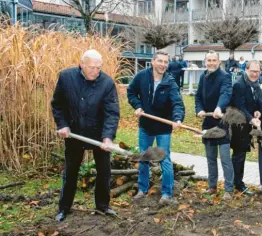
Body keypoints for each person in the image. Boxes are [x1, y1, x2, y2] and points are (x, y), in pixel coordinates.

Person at [51, 49, 120, 221]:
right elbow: (57, 105)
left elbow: (112, 113)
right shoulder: (66, 78)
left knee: (104, 171)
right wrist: (63, 125)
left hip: (98, 134)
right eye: (91, 67)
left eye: (98, 68)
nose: (95, 71)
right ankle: (64, 208)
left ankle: (103, 206)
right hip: (74, 133)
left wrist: (107, 137)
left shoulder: (107, 83)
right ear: (81, 64)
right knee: (71, 171)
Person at [127, 51, 185, 204]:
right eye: (160, 61)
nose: (163, 65)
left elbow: (177, 103)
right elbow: (131, 92)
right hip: (145, 125)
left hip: (163, 128)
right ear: (152, 62)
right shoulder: (141, 76)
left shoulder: (170, 82)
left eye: (166, 62)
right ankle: (142, 189)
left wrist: (177, 118)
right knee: (144, 157)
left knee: (164, 159)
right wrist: (138, 106)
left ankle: (166, 193)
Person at [195, 50, 234, 200]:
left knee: (225, 158)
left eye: (214, 60)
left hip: (222, 124)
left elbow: (226, 93)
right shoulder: (203, 77)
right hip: (208, 123)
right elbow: (198, 96)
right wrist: (199, 110)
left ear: (219, 62)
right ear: (205, 62)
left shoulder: (225, 77)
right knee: (210, 158)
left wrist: (219, 107)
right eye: (208, 60)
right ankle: (212, 187)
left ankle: (229, 190)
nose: (211, 63)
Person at [230, 60, 262, 195]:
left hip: (248, 124)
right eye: (252, 71)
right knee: (239, 155)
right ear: (246, 70)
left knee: (241, 154)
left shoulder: (255, 85)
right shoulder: (239, 84)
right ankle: (237, 183)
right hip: (238, 125)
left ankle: (236, 181)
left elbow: (254, 103)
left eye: (257, 71)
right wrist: (251, 119)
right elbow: (240, 106)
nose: (255, 74)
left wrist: (257, 112)